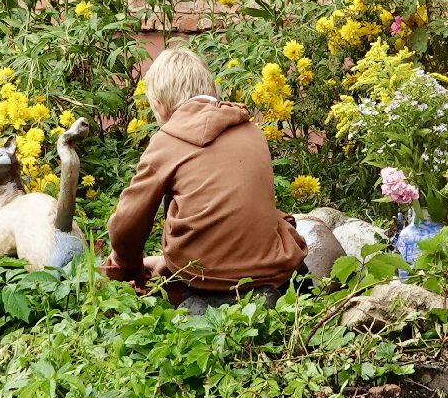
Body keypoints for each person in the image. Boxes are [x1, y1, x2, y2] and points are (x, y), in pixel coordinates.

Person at [102, 46, 306, 309]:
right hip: (269, 272)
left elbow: (126, 227)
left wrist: (128, 264)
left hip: (202, 278)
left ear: (159, 105)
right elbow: (229, 214)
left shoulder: (166, 141)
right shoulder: (252, 131)